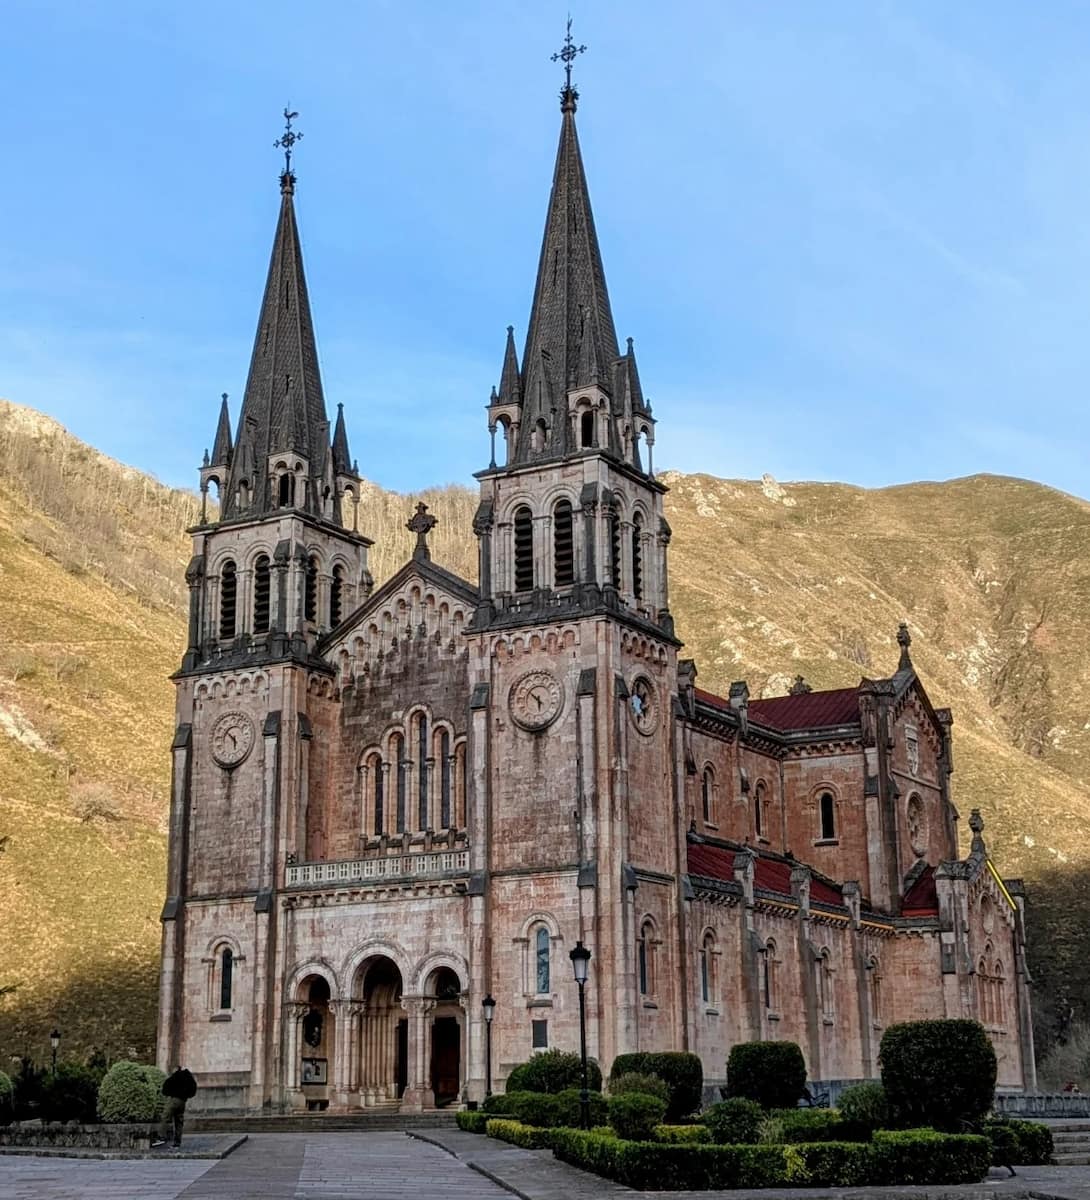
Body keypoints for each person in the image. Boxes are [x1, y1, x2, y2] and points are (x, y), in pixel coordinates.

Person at [152, 1065, 197, 1149]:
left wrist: (169, 1093)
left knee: (165, 1117)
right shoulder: (187, 1077)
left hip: (174, 1099)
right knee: (179, 1122)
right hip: (183, 1101)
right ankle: (177, 1142)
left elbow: (166, 1087)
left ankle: (161, 1136)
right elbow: (193, 1088)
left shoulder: (175, 1077)